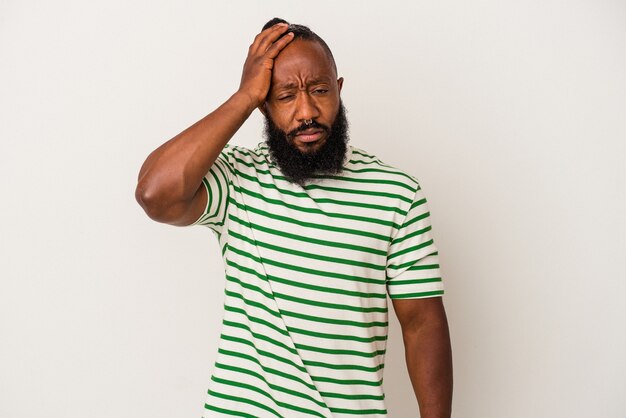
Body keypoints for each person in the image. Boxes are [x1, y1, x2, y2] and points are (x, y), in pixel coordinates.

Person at [135, 17, 453, 418]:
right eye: (285, 96)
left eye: (319, 91)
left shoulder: (396, 194)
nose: (307, 111)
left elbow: (423, 324)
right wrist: (243, 96)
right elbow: (155, 194)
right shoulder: (238, 180)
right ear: (264, 106)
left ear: (339, 91)